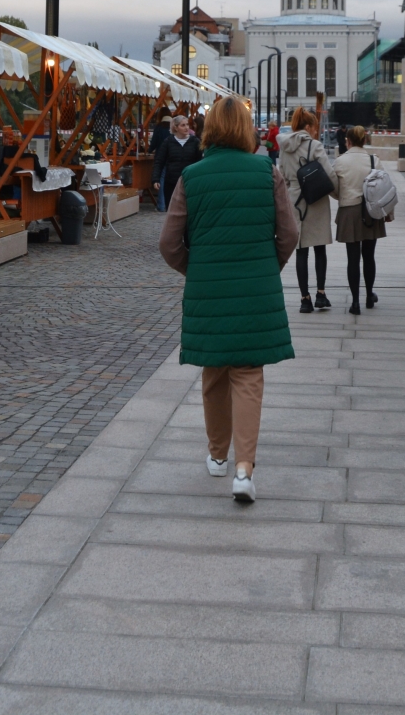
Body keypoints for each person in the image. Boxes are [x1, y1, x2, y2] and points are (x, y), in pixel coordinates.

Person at [159, 96, 299, 503]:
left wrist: (196, 269)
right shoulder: (265, 172)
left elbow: (169, 244)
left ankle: (218, 456)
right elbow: (289, 234)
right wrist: (264, 266)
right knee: (248, 374)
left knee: (214, 371)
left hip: (208, 288)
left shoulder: (192, 176)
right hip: (256, 287)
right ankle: (244, 470)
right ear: (244, 129)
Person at [277, 108, 335, 313]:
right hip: (316, 199)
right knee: (320, 248)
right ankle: (321, 294)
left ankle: (305, 299)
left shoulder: (284, 147)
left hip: (295, 201)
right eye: (314, 127)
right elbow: (329, 174)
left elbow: (281, 176)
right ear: (308, 127)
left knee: (301, 251)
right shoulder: (314, 145)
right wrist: (338, 195)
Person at [333, 125, 387, 314]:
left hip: (349, 210)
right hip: (370, 211)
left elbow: (334, 187)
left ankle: (355, 302)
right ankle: (369, 294)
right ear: (364, 140)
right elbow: (384, 187)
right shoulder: (374, 160)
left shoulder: (340, 161)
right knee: (369, 256)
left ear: (347, 141)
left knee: (352, 258)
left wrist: (343, 197)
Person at [152, 115, 202, 212]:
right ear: (176, 127)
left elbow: (200, 161)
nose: (186, 127)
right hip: (172, 182)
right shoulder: (168, 142)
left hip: (190, 181)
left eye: (187, 125)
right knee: (172, 210)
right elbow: (159, 161)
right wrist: (155, 179)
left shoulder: (195, 142)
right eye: (183, 125)